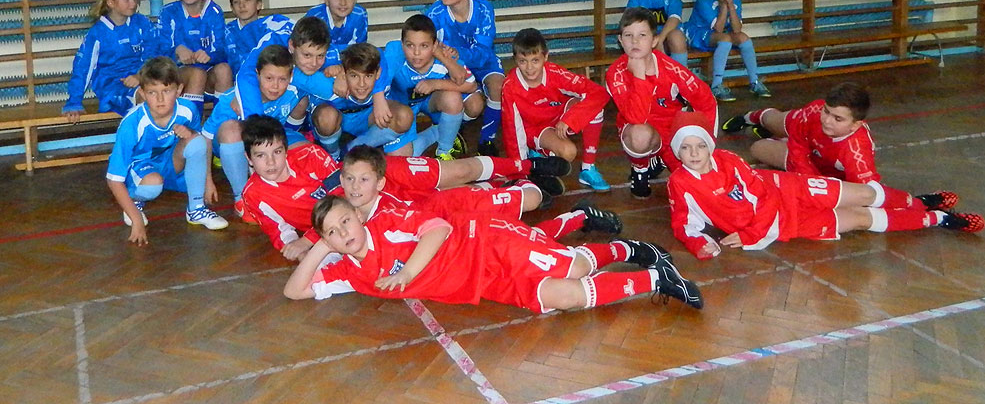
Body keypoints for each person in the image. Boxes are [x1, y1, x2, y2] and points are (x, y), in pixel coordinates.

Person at [283, 194, 705, 312]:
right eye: (334, 232)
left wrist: (406, 274)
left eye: (346, 221)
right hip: (482, 283)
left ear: (360, 216)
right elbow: (294, 291)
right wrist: (320, 245)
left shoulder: (388, 222)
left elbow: (438, 229)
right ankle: (657, 279)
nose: (344, 233)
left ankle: (630, 247)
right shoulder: (349, 272)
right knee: (563, 297)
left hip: (486, 241)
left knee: (572, 266)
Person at [240, 116, 573, 261]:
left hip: (376, 176)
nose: (271, 162)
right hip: (375, 203)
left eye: (277, 152)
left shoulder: (309, 155)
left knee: (458, 171)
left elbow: (344, 195)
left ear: (286, 148)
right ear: (249, 159)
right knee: (451, 203)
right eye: (261, 156)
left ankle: (527, 167)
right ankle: (513, 187)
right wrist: (296, 246)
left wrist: (310, 238)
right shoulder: (255, 195)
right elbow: (281, 234)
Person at [666, 124, 985, 260]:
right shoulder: (680, 183)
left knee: (864, 194)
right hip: (784, 223)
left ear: (709, 147)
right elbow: (683, 224)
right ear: (678, 153)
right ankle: (939, 218)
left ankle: (919, 202)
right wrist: (699, 245)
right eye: (686, 148)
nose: (694, 153)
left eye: (699, 146)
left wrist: (750, 234)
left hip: (788, 189)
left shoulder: (728, 160)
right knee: (860, 218)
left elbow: (763, 197)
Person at [106, 57, 228, 246]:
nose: (160, 99)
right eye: (152, 92)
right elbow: (113, 179)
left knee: (196, 140)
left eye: (167, 91)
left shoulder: (187, 110)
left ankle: (196, 209)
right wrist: (136, 220)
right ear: (142, 93)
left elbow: (201, 143)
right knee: (153, 185)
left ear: (179, 90)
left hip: (171, 164)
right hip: (141, 170)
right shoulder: (132, 124)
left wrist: (208, 181)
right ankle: (135, 201)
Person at [606, 7, 718, 199]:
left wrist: (706, 143)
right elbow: (636, 117)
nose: (635, 41)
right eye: (628, 35)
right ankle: (640, 169)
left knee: (700, 188)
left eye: (642, 35)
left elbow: (706, 99)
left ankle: (660, 160)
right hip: (640, 129)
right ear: (620, 41)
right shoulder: (615, 73)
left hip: (673, 132)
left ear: (654, 41)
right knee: (640, 134)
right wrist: (639, 76)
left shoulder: (671, 69)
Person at [201, 44, 305, 219]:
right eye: (269, 78)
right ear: (257, 74)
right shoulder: (231, 101)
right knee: (231, 130)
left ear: (291, 76)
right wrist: (207, 181)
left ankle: (288, 190)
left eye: (282, 79)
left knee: (305, 147)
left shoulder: (294, 91)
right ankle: (242, 198)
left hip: (265, 144)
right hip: (229, 143)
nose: (275, 86)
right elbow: (205, 138)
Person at [502, 28, 612, 192]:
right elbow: (512, 130)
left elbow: (599, 93)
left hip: (559, 120)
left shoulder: (555, 73)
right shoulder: (510, 87)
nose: (529, 68)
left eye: (535, 60)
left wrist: (570, 119)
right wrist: (520, 168)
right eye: (523, 61)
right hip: (534, 129)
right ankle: (538, 156)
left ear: (546, 56)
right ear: (515, 60)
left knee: (594, 108)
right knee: (568, 153)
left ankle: (588, 168)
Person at [722, 81, 880, 183]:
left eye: (838, 119)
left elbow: (867, 192)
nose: (827, 120)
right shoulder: (815, 111)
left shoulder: (857, 151)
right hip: (804, 147)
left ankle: (777, 139)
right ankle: (750, 117)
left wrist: (817, 184)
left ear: (856, 125)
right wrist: (809, 177)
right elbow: (797, 145)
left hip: (821, 168)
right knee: (773, 121)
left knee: (758, 148)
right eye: (826, 111)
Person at [425, 0, 504, 156]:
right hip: (453, 65)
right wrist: (452, 59)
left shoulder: (484, 9)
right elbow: (430, 48)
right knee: (475, 107)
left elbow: (484, 52)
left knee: (498, 86)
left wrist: (459, 52)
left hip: (481, 59)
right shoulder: (434, 13)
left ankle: (487, 140)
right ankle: (452, 126)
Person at [383, 14, 483, 160]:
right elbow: (380, 86)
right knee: (400, 157)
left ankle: (444, 151)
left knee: (453, 98)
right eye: (410, 45)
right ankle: (437, 132)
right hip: (401, 108)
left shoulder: (445, 57)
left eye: (424, 46)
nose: (416, 53)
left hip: (429, 102)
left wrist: (435, 84)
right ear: (402, 44)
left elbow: (471, 84)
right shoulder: (394, 54)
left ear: (435, 46)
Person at [63, 0, 158, 123]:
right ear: (111, 2)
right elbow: (83, 68)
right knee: (148, 97)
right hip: (112, 86)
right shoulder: (98, 33)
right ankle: (142, 136)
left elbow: (154, 54)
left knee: (164, 94)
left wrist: (140, 75)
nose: (133, 3)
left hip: (142, 78)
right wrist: (74, 102)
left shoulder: (142, 23)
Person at [300, 42, 416, 158]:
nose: (362, 84)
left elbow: (395, 47)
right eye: (354, 76)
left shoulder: (384, 75)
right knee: (326, 117)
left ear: (378, 74)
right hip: (337, 117)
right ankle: (333, 156)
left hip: (368, 115)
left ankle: (351, 149)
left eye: (368, 76)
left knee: (404, 116)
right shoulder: (327, 82)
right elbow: (294, 73)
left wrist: (378, 94)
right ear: (344, 74)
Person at [683, 0, 771, 101]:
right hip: (699, 34)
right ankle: (716, 85)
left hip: (722, 34)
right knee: (725, 39)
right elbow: (718, 28)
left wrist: (730, 6)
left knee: (744, 38)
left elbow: (737, 29)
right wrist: (723, 5)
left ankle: (754, 81)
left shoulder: (736, 0)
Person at [157, 0, 230, 112]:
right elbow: (159, 53)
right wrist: (177, 50)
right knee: (197, 73)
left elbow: (223, 52)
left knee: (224, 69)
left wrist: (209, 56)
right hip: (177, 77)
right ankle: (192, 123)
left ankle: (223, 121)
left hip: (208, 78)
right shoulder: (169, 12)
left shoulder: (214, 12)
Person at [224, 0, 293, 75]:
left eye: (247, 0)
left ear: (259, 4)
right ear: (232, 8)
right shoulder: (226, 32)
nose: (241, 5)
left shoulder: (270, 26)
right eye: (236, 2)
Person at [303, 0, 368, 59]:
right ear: (326, 0)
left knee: (377, 54)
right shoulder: (314, 17)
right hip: (319, 60)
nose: (343, 3)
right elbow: (309, 52)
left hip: (348, 60)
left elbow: (360, 49)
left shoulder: (360, 14)